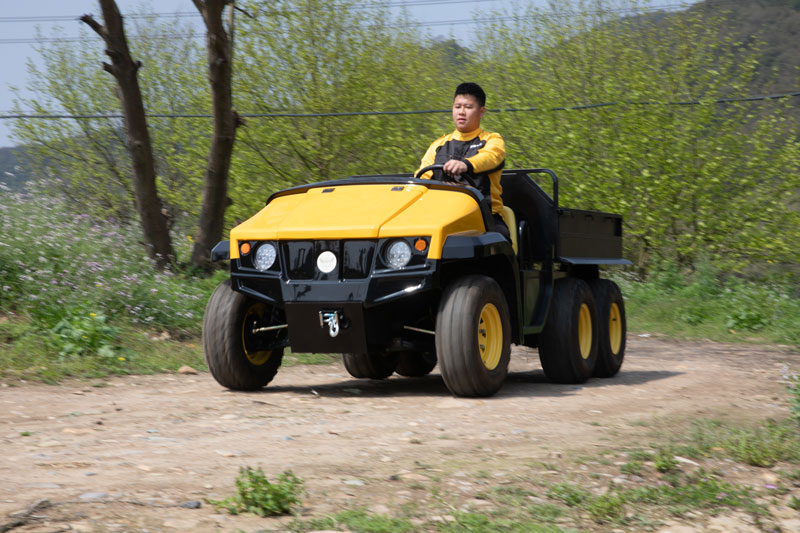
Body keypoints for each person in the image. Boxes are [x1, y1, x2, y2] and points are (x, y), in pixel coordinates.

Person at [416, 82, 510, 240]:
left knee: (499, 239)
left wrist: (466, 165)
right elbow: (421, 177)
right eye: (457, 106)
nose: (461, 112)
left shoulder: (492, 140)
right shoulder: (437, 145)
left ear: (481, 112)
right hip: (441, 216)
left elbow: (491, 157)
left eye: (468, 107)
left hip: (484, 217)